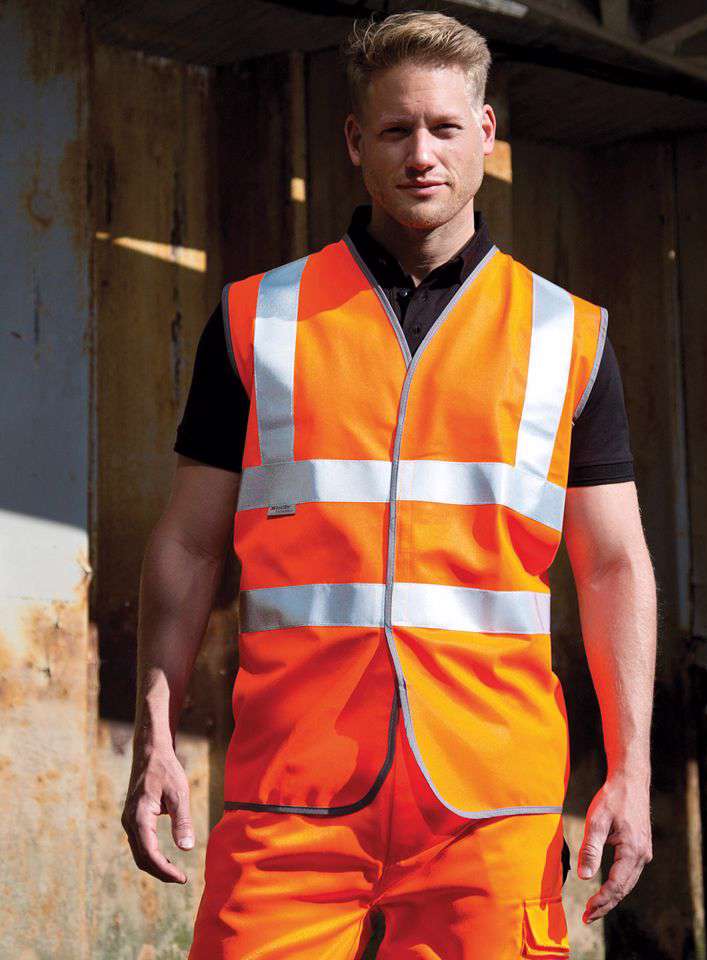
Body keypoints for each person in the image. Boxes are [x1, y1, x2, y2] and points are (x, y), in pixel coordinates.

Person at [121, 10, 656, 958]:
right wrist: (155, 730)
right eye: (397, 129)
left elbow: (613, 565)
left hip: (492, 799)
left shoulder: (566, 335)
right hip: (293, 790)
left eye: (445, 128)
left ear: (485, 133)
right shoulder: (257, 318)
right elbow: (188, 543)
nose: (422, 155)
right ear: (355, 141)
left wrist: (632, 768)